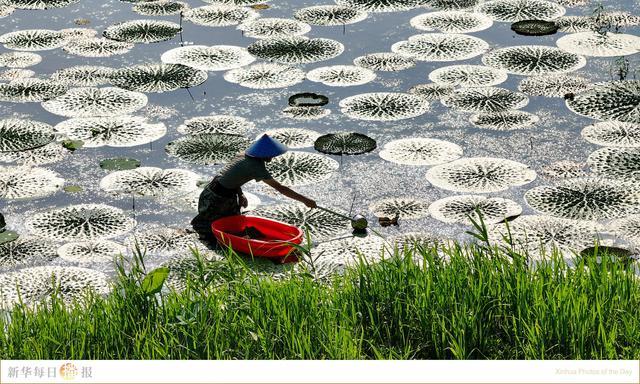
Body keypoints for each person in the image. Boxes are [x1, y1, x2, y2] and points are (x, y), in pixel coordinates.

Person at [190, 134, 317, 241]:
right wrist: (305, 200)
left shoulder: (243, 155)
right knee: (216, 230)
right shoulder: (256, 167)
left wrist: (240, 195)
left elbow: (229, 177)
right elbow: (281, 189)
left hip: (213, 190)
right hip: (218, 199)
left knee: (229, 226)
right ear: (264, 154)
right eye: (271, 155)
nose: (272, 158)